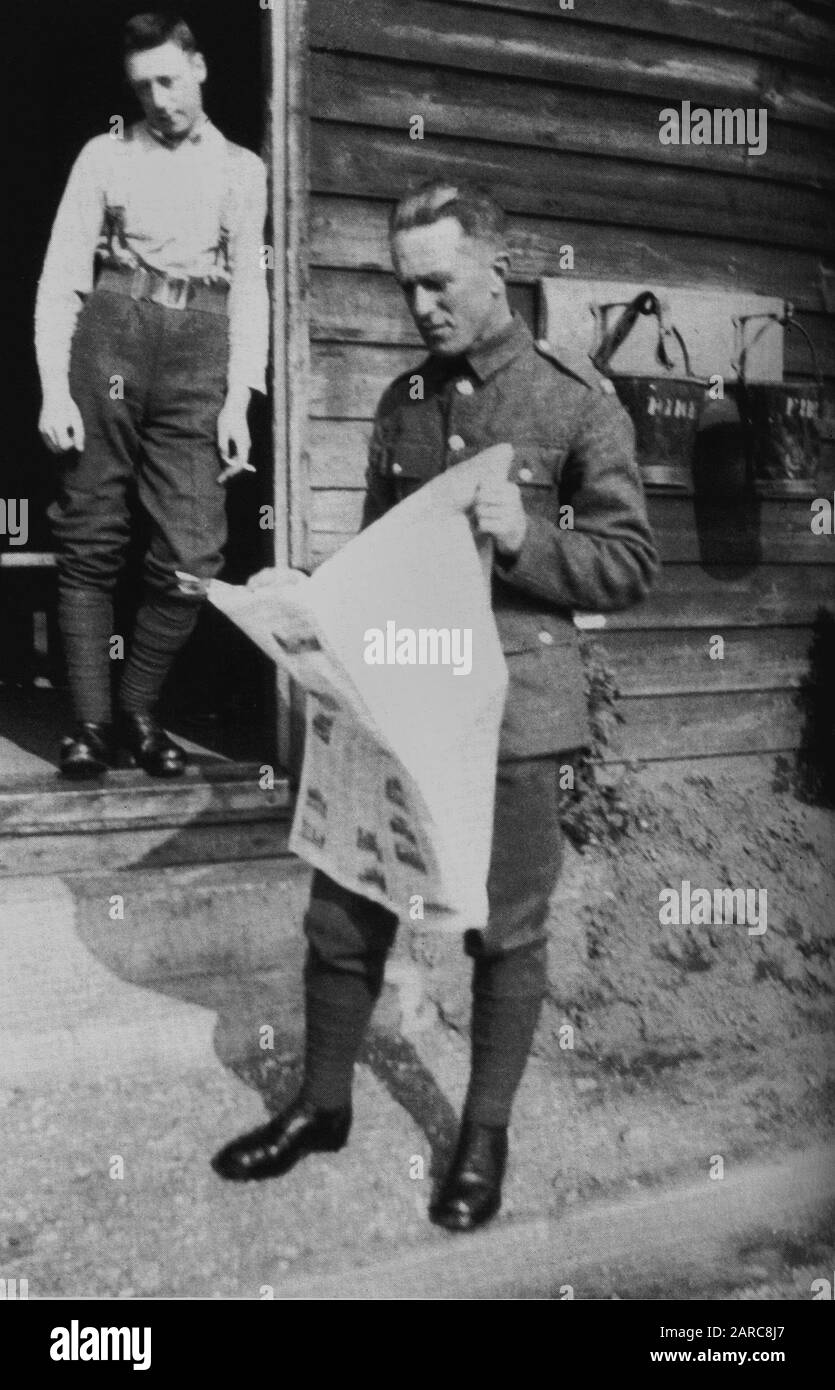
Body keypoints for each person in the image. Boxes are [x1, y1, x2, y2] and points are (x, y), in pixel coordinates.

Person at [213, 181, 658, 1232]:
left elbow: (630, 564)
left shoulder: (573, 402)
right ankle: (322, 1106)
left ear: (494, 272)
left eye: (437, 282)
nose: (418, 305)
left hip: (509, 717)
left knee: (503, 932)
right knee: (340, 910)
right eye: (404, 285)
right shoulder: (402, 403)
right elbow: (383, 557)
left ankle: (482, 1134)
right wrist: (309, 603)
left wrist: (525, 540)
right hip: (398, 699)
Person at [35, 12, 268, 778]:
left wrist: (239, 398)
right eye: (143, 86)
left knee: (192, 549)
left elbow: (252, 293)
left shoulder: (242, 169)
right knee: (91, 530)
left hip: (200, 343)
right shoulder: (104, 153)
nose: (159, 98)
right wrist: (53, 394)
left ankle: (139, 709)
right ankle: (91, 726)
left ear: (199, 68)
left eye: (170, 78)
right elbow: (60, 274)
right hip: (111, 334)